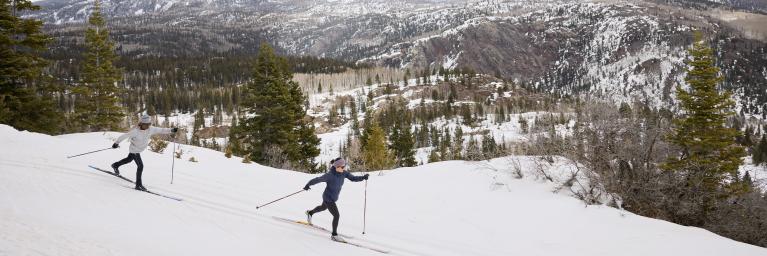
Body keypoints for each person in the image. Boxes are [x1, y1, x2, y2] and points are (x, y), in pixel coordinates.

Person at [303, 157, 368, 242]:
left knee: (323, 207)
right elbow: (318, 179)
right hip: (328, 198)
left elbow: (353, 178)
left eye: (344, 166)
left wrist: (363, 177)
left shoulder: (344, 173)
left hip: (333, 197)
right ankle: (334, 235)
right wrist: (308, 184)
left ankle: (310, 213)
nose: (344, 168)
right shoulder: (329, 175)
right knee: (336, 215)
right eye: (342, 167)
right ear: (337, 167)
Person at [111, 114, 178, 191]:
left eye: (148, 124)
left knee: (129, 159)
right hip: (134, 150)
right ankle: (138, 185)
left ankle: (115, 165)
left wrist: (171, 130)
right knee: (140, 166)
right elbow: (124, 136)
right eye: (145, 124)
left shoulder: (151, 129)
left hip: (139, 150)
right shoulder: (135, 131)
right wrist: (116, 143)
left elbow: (161, 130)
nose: (147, 126)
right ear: (141, 123)